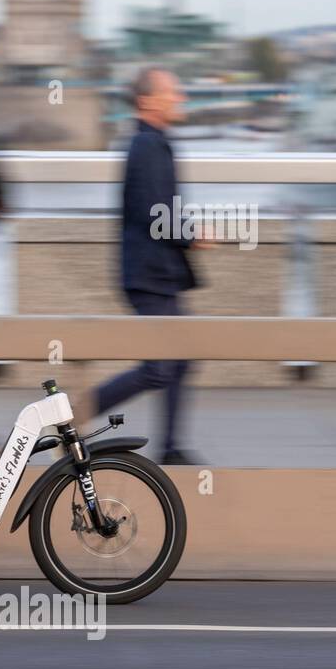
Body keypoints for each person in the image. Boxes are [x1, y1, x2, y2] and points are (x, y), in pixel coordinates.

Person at [81, 66, 211, 464]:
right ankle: (74, 414)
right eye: (174, 92)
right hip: (150, 276)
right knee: (160, 367)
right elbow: (156, 214)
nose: (181, 98)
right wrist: (193, 234)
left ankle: (171, 447)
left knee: (181, 360)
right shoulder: (148, 146)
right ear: (147, 101)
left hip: (155, 274)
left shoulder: (150, 142)